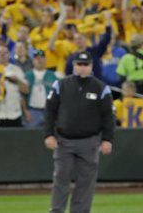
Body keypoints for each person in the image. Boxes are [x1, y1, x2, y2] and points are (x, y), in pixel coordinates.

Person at [44, 52, 114, 213]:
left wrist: (107, 139)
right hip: (64, 140)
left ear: (91, 66)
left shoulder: (101, 88)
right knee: (61, 178)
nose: (82, 68)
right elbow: (49, 111)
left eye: (85, 65)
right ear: (74, 65)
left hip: (89, 141)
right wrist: (48, 134)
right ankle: (56, 210)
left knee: (86, 182)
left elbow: (108, 117)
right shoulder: (60, 85)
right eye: (79, 64)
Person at [25, 49, 59, 129]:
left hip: (49, 111)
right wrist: (25, 111)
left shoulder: (53, 76)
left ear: (45, 60)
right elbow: (22, 96)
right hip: (32, 111)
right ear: (33, 60)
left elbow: (57, 95)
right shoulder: (27, 75)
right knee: (31, 137)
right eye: (37, 58)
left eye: (42, 58)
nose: (39, 60)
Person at [0, 44, 29, 127]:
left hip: (14, 113)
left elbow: (26, 90)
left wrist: (17, 81)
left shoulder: (16, 70)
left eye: (5, 53)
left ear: (9, 54)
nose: (2, 55)